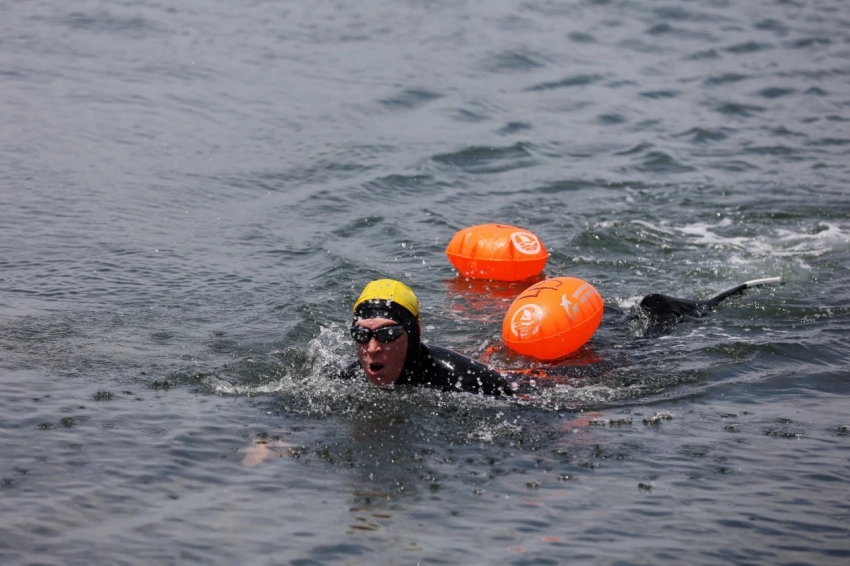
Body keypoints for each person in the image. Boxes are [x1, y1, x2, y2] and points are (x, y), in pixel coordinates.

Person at [334, 279, 514, 397]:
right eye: (362, 334)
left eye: (387, 334)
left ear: (415, 332)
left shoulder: (470, 380)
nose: (372, 348)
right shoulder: (345, 380)